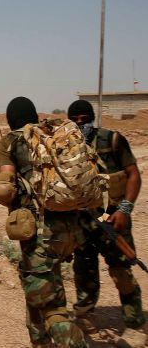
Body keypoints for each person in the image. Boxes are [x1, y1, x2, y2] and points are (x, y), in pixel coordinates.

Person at [0, 97, 87, 348]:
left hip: (40, 235)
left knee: (52, 310)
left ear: (10, 118)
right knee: (36, 292)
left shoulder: (11, 140)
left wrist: (10, 192)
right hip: (70, 229)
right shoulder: (52, 135)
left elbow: (4, 191)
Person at [67, 100, 146, 347]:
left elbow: (133, 174)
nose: (80, 123)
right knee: (84, 269)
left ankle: (135, 324)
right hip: (82, 220)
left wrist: (124, 209)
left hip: (112, 219)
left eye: (84, 118)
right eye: (75, 120)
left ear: (92, 117)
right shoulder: (67, 147)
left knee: (121, 270)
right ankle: (84, 315)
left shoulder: (111, 140)